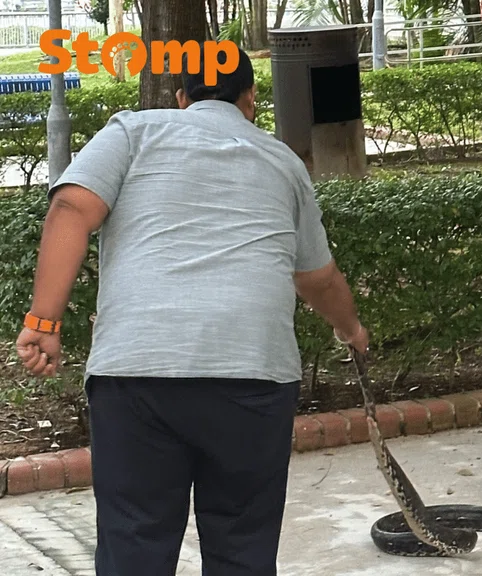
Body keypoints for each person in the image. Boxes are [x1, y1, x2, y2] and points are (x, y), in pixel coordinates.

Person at [14, 48, 368, 575]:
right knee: (242, 548)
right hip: (253, 377)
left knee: (134, 546)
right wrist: (351, 330)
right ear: (250, 99)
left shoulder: (132, 132)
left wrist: (43, 322)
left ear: (182, 97)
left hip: (136, 375)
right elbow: (317, 278)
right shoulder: (283, 162)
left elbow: (70, 208)